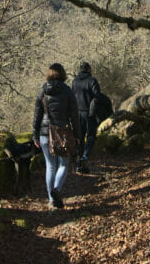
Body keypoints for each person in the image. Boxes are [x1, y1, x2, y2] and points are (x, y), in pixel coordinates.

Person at [32, 62, 80, 210]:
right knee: (64, 164)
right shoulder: (67, 91)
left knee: (50, 166)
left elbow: (37, 115)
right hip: (62, 133)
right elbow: (74, 115)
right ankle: (56, 191)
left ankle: (51, 200)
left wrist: (35, 136)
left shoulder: (43, 91)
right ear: (63, 74)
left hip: (45, 134)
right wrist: (77, 134)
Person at [72, 61, 101, 173]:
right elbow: (97, 97)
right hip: (89, 113)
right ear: (88, 69)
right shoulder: (92, 80)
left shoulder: (75, 81)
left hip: (77, 113)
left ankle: (79, 163)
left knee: (79, 137)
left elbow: (72, 98)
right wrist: (92, 111)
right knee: (91, 136)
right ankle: (85, 156)